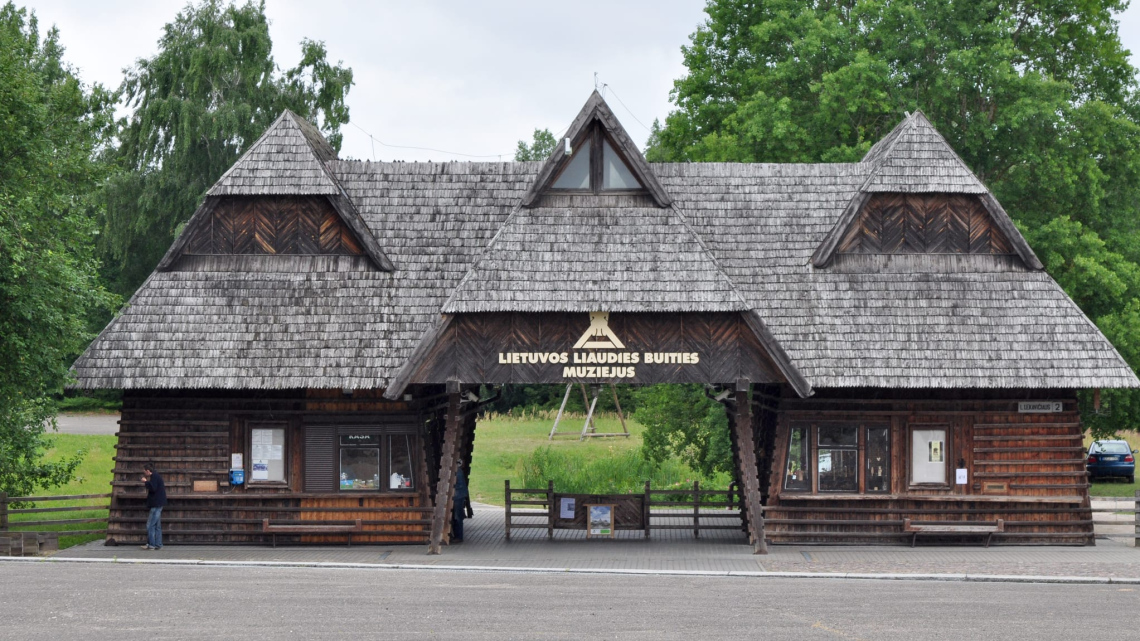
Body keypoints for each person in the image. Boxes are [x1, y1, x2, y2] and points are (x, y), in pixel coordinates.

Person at [142, 462, 167, 550]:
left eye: (145, 471)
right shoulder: (156, 476)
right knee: (157, 525)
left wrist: (146, 482)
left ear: (148, 471)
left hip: (156, 504)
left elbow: (153, 488)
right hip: (159, 503)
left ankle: (151, 544)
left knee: (150, 525)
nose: (144, 473)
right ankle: (158, 544)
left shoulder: (154, 477)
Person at [451, 467, 470, 543]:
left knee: (457, 516)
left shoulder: (456, 471)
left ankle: (459, 536)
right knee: (457, 516)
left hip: (457, 496)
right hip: (459, 495)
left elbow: (456, 484)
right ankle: (457, 535)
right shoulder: (458, 470)